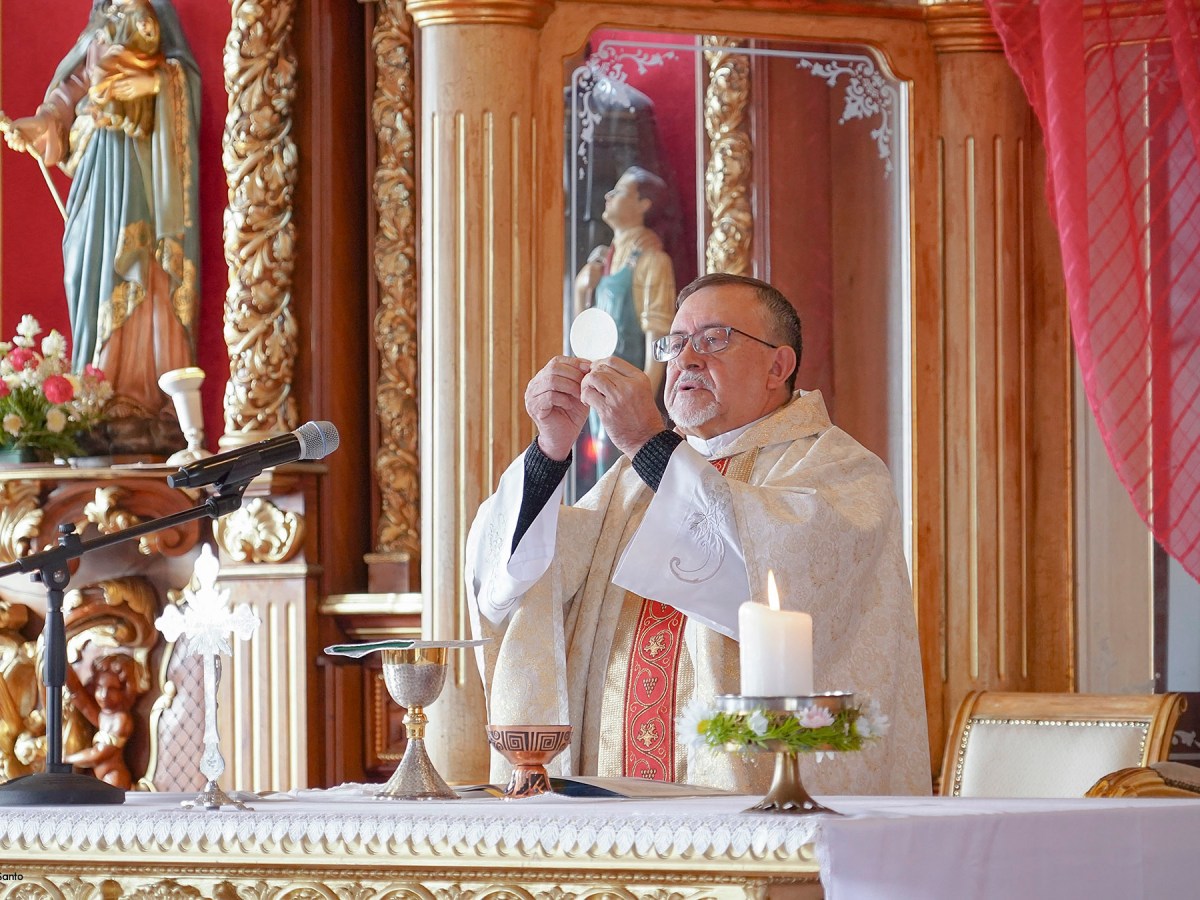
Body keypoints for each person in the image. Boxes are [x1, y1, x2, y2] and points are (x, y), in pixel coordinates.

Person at [467, 273, 930, 795]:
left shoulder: (838, 469)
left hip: (755, 811)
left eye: (714, 339)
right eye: (677, 342)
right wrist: (549, 453)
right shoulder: (632, 479)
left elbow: (767, 580)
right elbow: (519, 579)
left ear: (779, 365)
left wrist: (648, 441)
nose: (685, 359)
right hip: (609, 802)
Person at [3, 0, 201, 428]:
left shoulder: (154, 17)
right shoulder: (98, 26)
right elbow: (67, 95)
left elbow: (185, 82)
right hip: (96, 167)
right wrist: (39, 125)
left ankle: (141, 394)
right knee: (86, 266)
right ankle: (95, 391)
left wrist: (153, 85)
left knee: (139, 261)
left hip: (142, 168)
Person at [573, 167, 676, 491]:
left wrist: (644, 399)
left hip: (627, 391)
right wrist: (580, 291)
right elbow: (585, 334)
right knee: (601, 472)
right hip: (598, 386)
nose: (608, 196)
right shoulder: (603, 262)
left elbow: (657, 334)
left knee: (626, 479)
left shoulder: (652, 261)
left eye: (619, 192)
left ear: (644, 204)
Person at [64, 653, 143, 789]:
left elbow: (97, 754)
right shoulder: (104, 715)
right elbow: (80, 698)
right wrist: (63, 667)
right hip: (100, 777)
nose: (104, 695)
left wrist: (67, 760)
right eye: (100, 687)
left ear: (125, 691)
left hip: (115, 776)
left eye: (112, 689)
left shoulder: (121, 720)